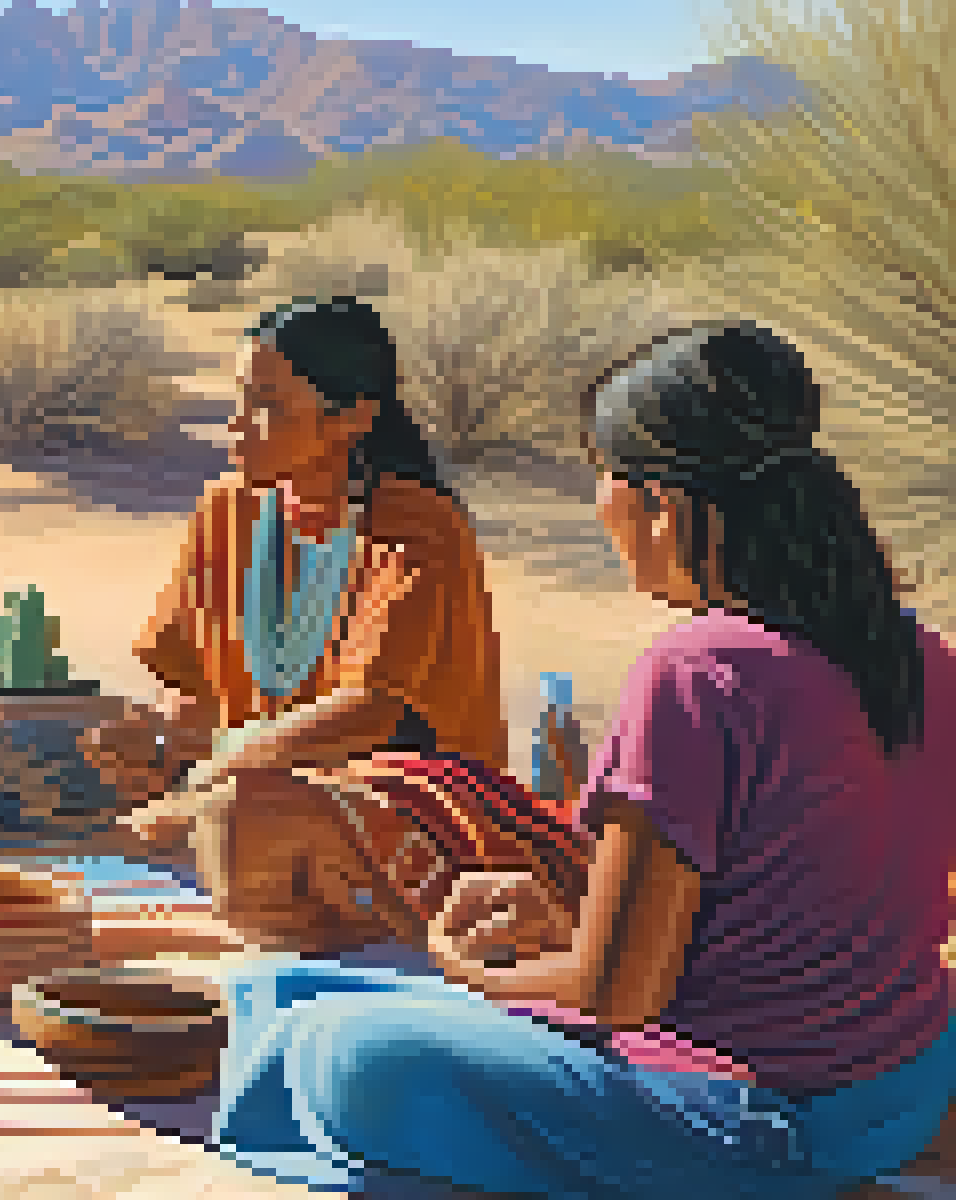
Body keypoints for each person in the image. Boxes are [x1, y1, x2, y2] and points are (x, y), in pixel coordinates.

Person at [204, 321, 956, 1197]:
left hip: (747, 1125)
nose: (599, 505)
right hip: (899, 1091)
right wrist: (557, 918)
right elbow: (779, 912)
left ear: (661, 507)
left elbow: (618, 994)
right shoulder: (918, 653)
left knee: (343, 1058)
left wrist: (459, 959)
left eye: (604, 476)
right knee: (283, 989)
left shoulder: (696, 673)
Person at [85, 297, 587, 955]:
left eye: (269, 406)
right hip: (254, 783)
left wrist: (219, 771)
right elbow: (193, 686)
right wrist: (154, 739)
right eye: (239, 399)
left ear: (350, 418)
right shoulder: (227, 511)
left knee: (235, 825)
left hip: (405, 801)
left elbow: (367, 715)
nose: (237, 425)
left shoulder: (416, 527)